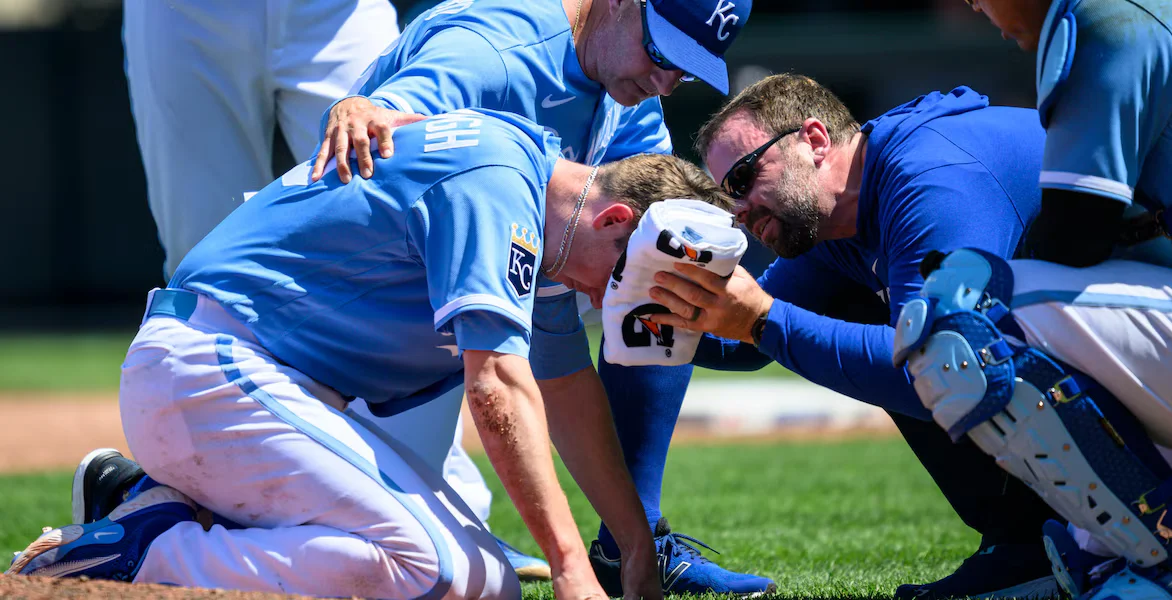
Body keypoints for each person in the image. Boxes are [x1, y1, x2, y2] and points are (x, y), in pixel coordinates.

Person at [7, 109, 733, 600]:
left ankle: (143, 495)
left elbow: (566, 386)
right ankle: (144, 547)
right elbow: (497, 388)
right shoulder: (499, 189)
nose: (606, 299)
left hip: (258, 385)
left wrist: (634, 547)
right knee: (434, 572)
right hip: (213, 368)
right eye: (621, 281)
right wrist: (572, 566)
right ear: (614, 220)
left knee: (490, 581)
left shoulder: (536, 194)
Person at [282, 0, 774, 594]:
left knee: (662, 271)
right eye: (661, 51)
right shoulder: (496, 53)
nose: (666, 82)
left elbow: (569, 351)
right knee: (410, 565)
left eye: (686, 70)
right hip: (345, 317)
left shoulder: (628, 87)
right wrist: (358, 107)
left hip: (453, 283)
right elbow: (376, 134)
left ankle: (632, 539)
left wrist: (633, 540)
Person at [117, 0, 544, 574]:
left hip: (336, 13)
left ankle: (448, 510)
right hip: (185, 12)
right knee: (202, 256)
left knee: (408, 231)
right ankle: (174, 502)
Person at [639, 73, 1064, 599]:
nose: (739, 210)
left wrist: (760, 319)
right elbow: (739, 339)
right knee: (864, 316)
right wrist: (633, 297)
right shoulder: (838, 218)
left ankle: (1065, 541)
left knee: (936, 351)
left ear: (815, 141)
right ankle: (1024, 542)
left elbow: (945, 372)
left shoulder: (929, 179)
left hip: (1158, 358)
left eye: (743, 177)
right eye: (728, 197)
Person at [892, 1, 1172, 598]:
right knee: (1097, 541)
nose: (974, 4)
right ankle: (1135, 556)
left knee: (961, 310)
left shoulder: (1108, 16)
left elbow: (1074, 237)